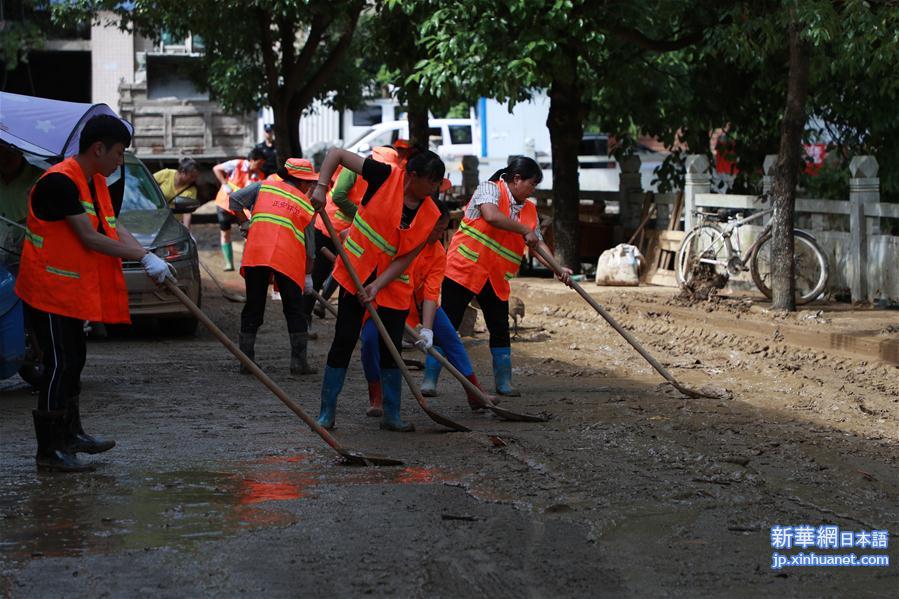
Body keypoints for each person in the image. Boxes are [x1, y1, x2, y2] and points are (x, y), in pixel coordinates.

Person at [15, 115, 174, 472]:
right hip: (48, 288)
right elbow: (89, 237)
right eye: (118, 153)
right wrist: (143, 256)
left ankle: (71, 433)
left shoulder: (93, 182)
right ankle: (50, 451)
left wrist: (151, 257)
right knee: (58, 363)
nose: (121, 161)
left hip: (69, 289)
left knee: (75, 358)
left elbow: (111, 228)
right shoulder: (60, 182)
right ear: (98, 148)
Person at [309, 146, 445, 432]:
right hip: (355, 271)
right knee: (344, 338)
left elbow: (407, 257)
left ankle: (391, 415)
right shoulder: (385, 175)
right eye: (431, 181)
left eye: (437, 183)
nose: (433, 188)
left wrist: (377, 286)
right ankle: (326, 412)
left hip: (392, 284)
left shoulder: (431, 213)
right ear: (413, 175)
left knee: (390, 347)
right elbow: (337, 154)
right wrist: (321, 188)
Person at [429, 156, 573, 397]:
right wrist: (524, 230)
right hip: (465, 268)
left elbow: (536, 245)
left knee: (499, 328)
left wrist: (558, 269)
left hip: (495, 277)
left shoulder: (529, 209)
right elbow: (491, 216)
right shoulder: (489, 188)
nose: (533, 190)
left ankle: (503, 383)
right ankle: (430, 379)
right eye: (532, 183)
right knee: (448, 322)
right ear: (516, 179)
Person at [359, 199, 494, 417]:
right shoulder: (401, 239)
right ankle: (377, 396)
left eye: (443, 229)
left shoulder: (438, 253)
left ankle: (474, 392)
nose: (439, 234)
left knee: (450, 338)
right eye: (437, 228)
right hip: (384, 301)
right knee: (370, 341)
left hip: (418, 306)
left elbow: (431, 293)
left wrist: (427, 330)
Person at [302, 143, 412, 328]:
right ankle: (303, 321)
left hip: (354, 233)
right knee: (319, 274)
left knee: (347, 273)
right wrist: (363, 215)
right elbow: (339, 197)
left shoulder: (388, 178)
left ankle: (327, 308)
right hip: (330, 227)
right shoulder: (355, 170)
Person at [229, 158, 318, 376]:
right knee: (294, 309)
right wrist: (307, 276)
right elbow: (310, 249)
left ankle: (246, 362)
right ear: (301, 181)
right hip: (286, 259)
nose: (311, 186)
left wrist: (244, 222)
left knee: (254, 307)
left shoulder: (263, 186)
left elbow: (234, 200)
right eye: (309, 182)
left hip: (257, 254)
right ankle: (298, 363)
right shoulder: (305, 204)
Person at [212, 149, 266, 271]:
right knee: (225, 233)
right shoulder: (237, 164)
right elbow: (216, 168)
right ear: (252, 160)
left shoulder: (260, 176)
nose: (261, 167)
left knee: (248, 234)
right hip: (225, 204)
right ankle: (229, 264)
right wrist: (224, 183)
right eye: (260, 163)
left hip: (242, 209)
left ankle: (246, 263)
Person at [0, 143, 43, 269]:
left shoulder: (41, 179)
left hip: (28, 258)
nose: (3, 159)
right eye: (0, 153)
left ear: (20, 152)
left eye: (8, 153)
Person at [153, 157, 200, 228]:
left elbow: (187, 212)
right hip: (154, 217)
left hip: (172, 224)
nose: (194, 179)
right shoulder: (166, 174)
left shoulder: (192, 189)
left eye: (196, 177)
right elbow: (147, 185)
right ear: (183, 172)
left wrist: (187, 229)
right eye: (192, 176)